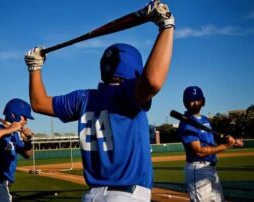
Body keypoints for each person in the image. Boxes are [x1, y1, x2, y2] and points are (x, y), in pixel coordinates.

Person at [24, 0, 174, 201]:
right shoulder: (127, 93)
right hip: (126, 196)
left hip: (93, 195)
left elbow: (39, 103)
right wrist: (166, 26)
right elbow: (153, 82)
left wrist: (35, 68)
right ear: (134, 69)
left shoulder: (83, 98)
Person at [177, 86, 244, 202]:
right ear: (186, 103)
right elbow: (199, 151)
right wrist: (226, 146)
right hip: (198, 169)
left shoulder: (205, 120)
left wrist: (228, 139)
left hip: (211, 168)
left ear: (203, 101)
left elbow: (216, 138)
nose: (195, 103)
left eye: (198, 99)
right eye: (191, 100)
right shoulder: (187, 123)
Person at [0, 98, 35, 202]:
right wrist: (10, 129)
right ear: (14, 115)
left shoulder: (15, 135)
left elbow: (28, 155)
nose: (26, 122)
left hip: (3, 186)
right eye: (25, 118)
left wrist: (28, 140)